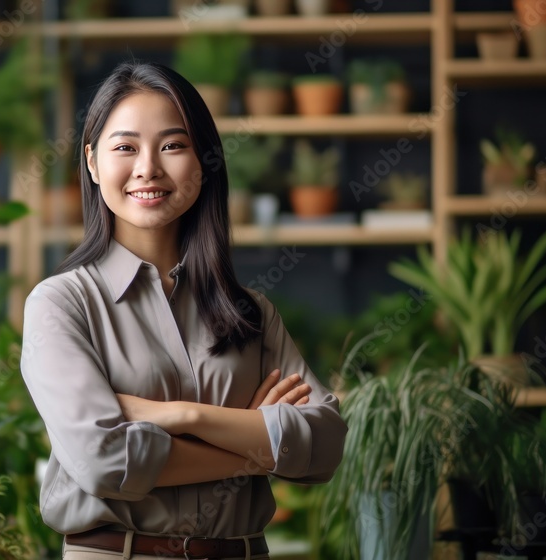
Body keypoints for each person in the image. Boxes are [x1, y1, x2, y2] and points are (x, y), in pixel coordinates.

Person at [19, 61, 347, 560]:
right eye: (125, 147)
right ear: (91, 162)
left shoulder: (251, 313)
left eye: (172, 145)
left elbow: (323, 444)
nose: (148, 167)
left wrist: (180, 415)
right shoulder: (62, 305)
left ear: (203, 162)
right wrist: (257, 447)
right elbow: (104, 461)